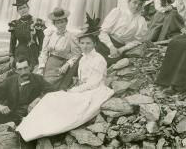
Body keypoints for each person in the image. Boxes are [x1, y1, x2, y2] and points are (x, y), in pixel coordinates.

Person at [16, 14, 114, 142]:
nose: (85, 46)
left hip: (94, 92)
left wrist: (74, 90)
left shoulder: (99, 60)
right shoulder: (84, 58)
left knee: (62, 102)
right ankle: (26, 128)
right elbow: (82, 78)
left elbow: (94, 83)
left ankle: (40, 131)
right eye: (82, 43)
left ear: (94, 44)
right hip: (83, 89)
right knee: (50, 97)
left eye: (88, 43)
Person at [0, 58, 55, 125]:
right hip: (10, 115)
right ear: (16, 70)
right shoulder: (10, 81)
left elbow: (53, 90)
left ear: (30, 67)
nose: (24, 72)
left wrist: (39, 98)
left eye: (26, 68)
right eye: (20, 69)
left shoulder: (38, 79)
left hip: (29, 116)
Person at [97, 0, 148, 66]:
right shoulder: (118, 12)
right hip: (105, 43)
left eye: (140, 4)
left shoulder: (141, 21)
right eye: (134, 2)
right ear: (129, 2)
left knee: (106, 66)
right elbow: (103, 32)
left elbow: (137, 41)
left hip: (120, 49)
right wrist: (111, 47)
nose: (137, 6)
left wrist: (122, 49)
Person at [37, 7, 81, 89]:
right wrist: (41, 67)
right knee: (35, 80)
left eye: (62, 22)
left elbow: (77, 55)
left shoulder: (71, 37)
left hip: (60, 65)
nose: (60, 25)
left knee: (47, 85)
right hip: (48, 63)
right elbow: (44, 52)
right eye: (57, 23)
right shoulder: (50, 35)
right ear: (54, 24)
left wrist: (67, 64)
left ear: (66, 22)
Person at [9, 0, 46, 68]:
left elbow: (42, 40)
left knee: (32, 73)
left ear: (28, 8)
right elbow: (12, 41)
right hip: (19, 53)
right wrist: (11, 56)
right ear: (17, 11)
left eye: (24, 7)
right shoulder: (15, 24)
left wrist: (41, 55)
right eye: (20, 9)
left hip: (33, 52)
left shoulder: (36, 22)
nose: (23, 10)